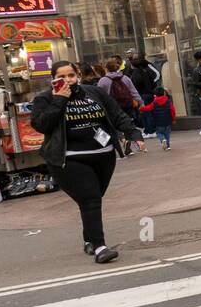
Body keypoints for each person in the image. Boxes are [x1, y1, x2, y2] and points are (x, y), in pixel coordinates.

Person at [30, 60, 145, 264]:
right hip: (69, 159)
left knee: (92, 200)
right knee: (90, 198)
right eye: (61, 77)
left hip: (103, 155)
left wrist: (134, 133)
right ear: (53, 79)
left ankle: (89, 239)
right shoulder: (45, 99)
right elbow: (42, 125)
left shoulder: (94, 92)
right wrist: (59, 100)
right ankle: (101, 247)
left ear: (78, 76)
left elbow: (116, 114)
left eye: (71, 76)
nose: (67, 81)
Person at [97, 56, 144, 155]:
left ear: (106, 68)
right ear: (118, 68)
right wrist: (141, 103)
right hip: (127, 106)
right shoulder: (125, 78)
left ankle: (123, 140)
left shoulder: (103, 80)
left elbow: (99, 95)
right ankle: (129, 145)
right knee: (126, 124)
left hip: (112, 107)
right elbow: (134, 92)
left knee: (113, 126)